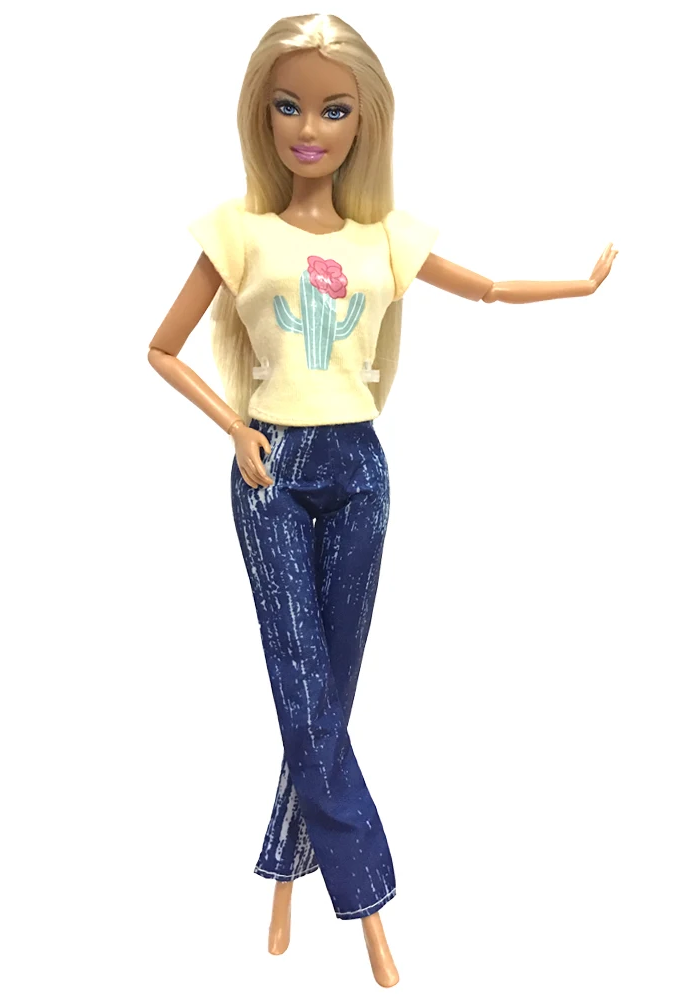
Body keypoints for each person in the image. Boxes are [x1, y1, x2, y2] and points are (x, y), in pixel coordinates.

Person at [147, 13, 618, 986]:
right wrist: (235, 428)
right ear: (261, 114)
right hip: (271, 467)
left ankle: (284, 879)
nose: (307, 128)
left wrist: (579, 286)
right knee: (303, 689)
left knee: (328, 694)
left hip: (360, 467)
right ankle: (368, 907)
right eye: (288, 106)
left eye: (332, 109)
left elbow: (486, 288)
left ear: (365, 121)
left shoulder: (386, 237)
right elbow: (160, 347)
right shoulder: (237, 230)